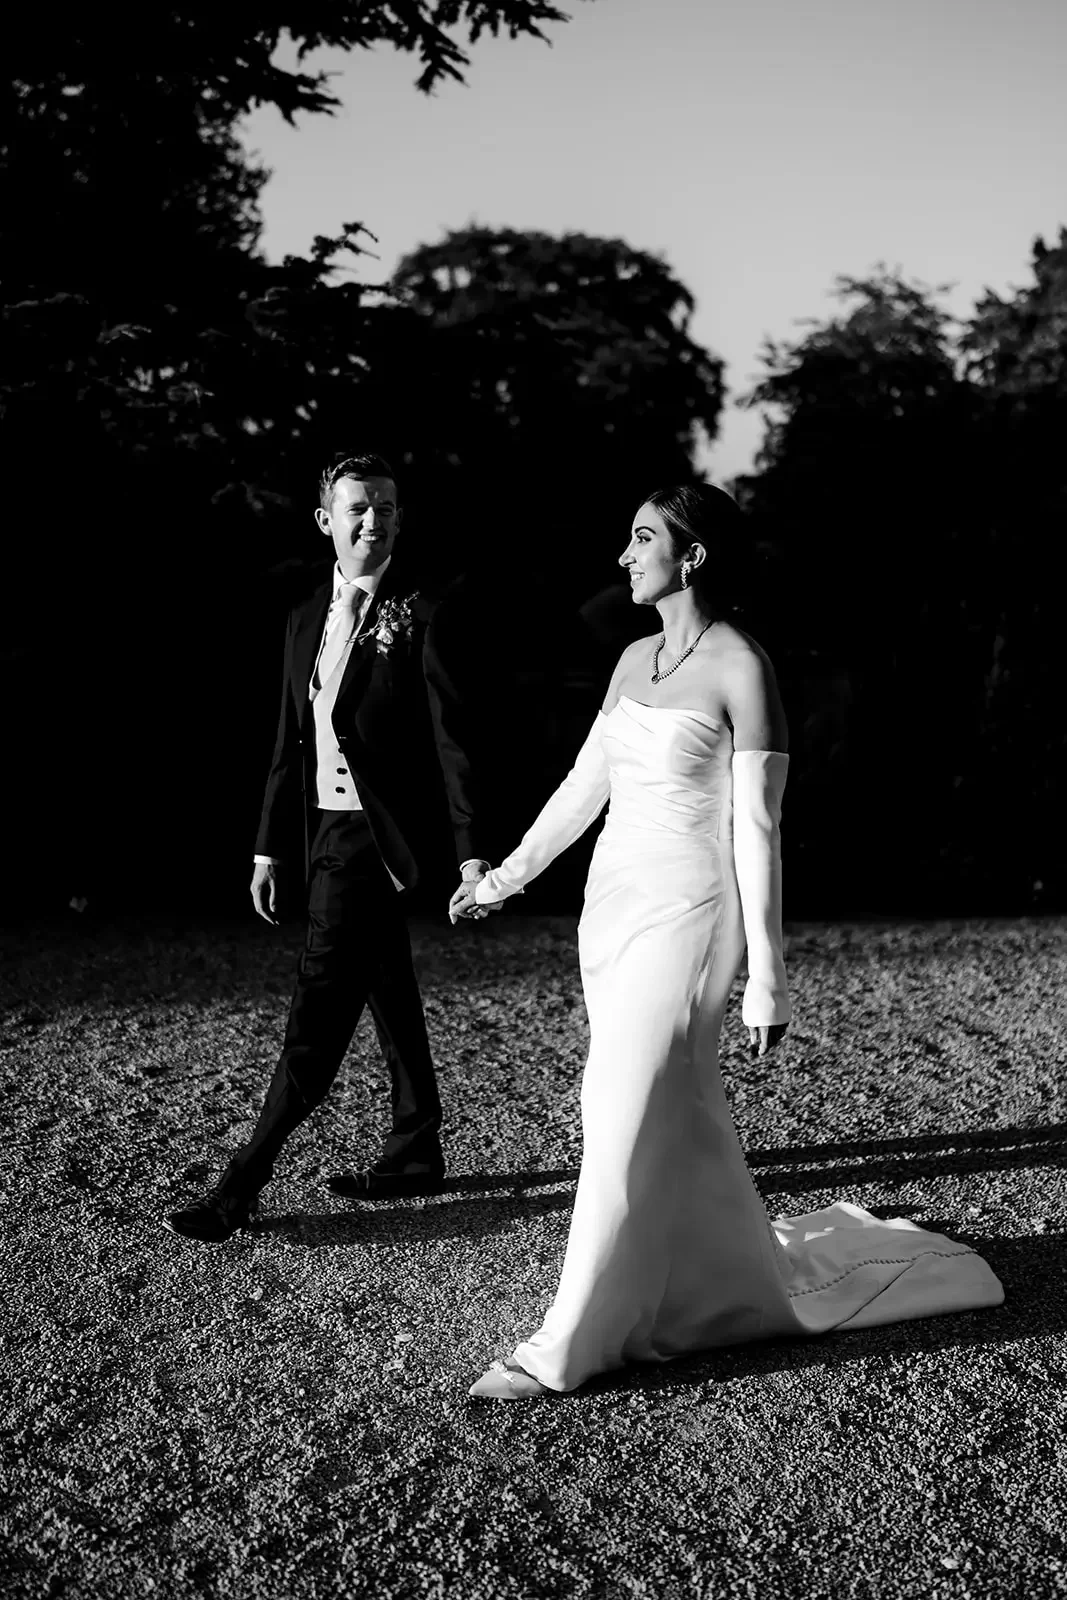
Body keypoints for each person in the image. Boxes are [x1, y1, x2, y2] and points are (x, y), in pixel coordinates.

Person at [449, 482, 1004, 1398]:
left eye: (640, 539)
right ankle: (715, 1282)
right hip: (613, 912)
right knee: (669, 1112)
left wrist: (767, 979)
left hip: (691, 919)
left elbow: (758, 830)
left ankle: (569, 1344)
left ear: (691, 554)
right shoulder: (631, 659)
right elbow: (580, 790)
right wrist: (501, 879)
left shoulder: (743, 666)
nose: (623, 557)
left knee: (619, 1111)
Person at [167, 453, 494, 1243]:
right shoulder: (306, 612)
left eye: (384, 506)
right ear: (326, 521)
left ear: (399, 518)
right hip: (321, 834)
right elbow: (292, 737)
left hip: (376, 843)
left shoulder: (423, 611)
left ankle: (240, 1184)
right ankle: (415, 1150)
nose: (371, 520)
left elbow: (454, 743)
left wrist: (471, 852)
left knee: (316, 1014)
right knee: (387, 989)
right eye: (356, 508)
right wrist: (266, 848)